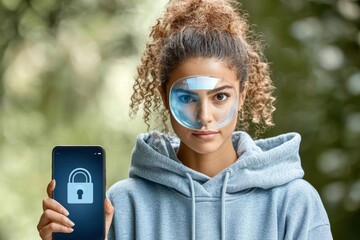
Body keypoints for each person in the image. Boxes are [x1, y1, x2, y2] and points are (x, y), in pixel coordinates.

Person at [37, 0, 333, 239]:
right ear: (165, 96)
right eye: (187, 98)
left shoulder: (294, 202)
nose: (204, 116)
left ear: (242, 95)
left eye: (220, 97)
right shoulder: (121, 206)